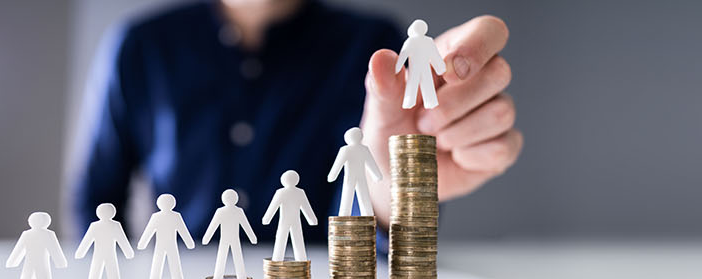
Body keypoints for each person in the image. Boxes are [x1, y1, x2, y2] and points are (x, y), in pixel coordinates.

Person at [68, 0, 521, 240]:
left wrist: (398, 192)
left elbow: (371, 191)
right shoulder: (140, 46)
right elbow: (94, 198)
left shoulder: (375, 44)